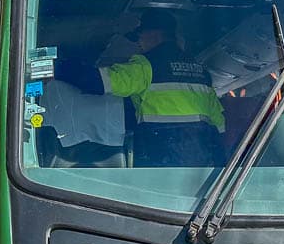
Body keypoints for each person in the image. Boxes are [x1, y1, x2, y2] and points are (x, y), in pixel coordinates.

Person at [54, 9, 225, 167]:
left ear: (154, 35)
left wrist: (55, 68)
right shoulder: (200, 71)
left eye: (139, 36)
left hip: (159, 153)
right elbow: (219, 124)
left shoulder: (147, 65)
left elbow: (97, 82)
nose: (139, 43)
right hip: (199, 159)